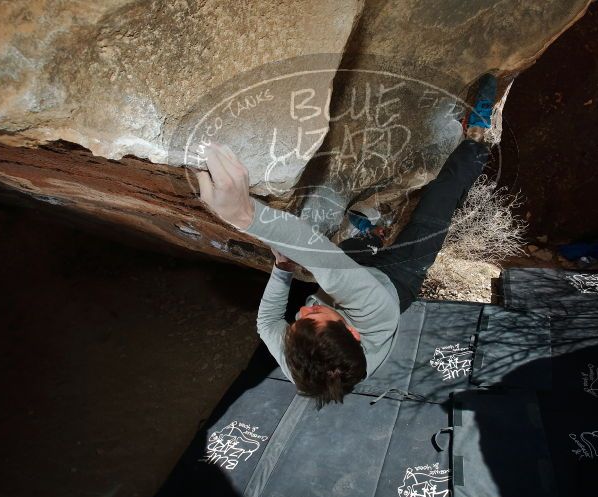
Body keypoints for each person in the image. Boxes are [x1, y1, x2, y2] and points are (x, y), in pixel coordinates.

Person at [196, 75, 498, 405]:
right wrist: (247, 216)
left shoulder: (301, 358)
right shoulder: (374, 316)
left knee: (350, 250)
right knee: (439, 201)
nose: (300, 313)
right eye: (311, 316)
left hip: (356, 280)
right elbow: (318, 254)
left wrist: (282, 268)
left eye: (296, 323)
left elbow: (267, 321)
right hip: (398, 284)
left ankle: (371, 234)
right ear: (353, 332)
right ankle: (478, 137)